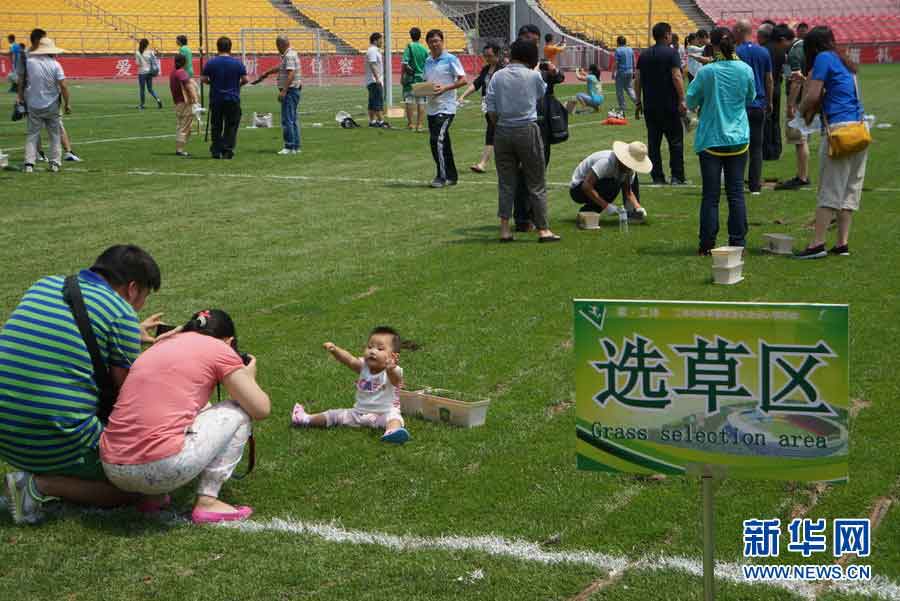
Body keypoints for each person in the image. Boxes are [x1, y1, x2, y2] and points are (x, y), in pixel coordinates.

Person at [2, 245, 162, 524]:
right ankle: (39, 486)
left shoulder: (45, 284)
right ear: (133, 288)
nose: (139, 307)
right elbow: (129, 399)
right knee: (138, 486)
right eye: (144, 297)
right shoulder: (121, 313)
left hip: (7, 436)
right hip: (47, 437)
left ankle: (45, 473)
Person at [100, 309, 270, 524]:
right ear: (229, 341)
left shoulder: (160, 345)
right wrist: (249, 378)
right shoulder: (220, 348)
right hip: (159, 467)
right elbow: (261, 409)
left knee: (177, 407)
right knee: (238, 411)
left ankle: (153, 497)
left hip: (112, 467)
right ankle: (208, 502)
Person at [795, 26, 868, 259]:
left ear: (812, 48)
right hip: (859, 129)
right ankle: (842, 244)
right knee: (850, 190)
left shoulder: (823, 58)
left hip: (839, 131)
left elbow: (814, 95)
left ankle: (817, 244)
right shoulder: (842, 60)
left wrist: (799, 112)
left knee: (829, 189)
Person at [686, 27, 755, 255]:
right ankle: (738, 243)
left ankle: (707, 244)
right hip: (737, 138)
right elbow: (750, 97)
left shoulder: (707, 72)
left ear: (711, 45)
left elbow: (690, 99)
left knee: (711, 195)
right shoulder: (745, 69)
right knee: (736, 194)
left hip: (712, 139)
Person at [486, 39, 559, 243]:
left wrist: (500, 124)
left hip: (502, 130)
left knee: (506, 182)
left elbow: (490, 108)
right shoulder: (533, 75)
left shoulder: (498, 76)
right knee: (536, 182)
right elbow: (540, 94)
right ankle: (543, 229)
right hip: (527, 129)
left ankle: (504, 229)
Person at [291, 327, 411, 444]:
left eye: (380, 349)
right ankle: (305, 419)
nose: (372, 351)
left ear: (393, 357)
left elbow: (396, 381)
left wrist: (390, 369)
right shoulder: (364, 366)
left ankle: (392, 431)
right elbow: (349, 360)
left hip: (383, 414)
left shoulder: (394, 371)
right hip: (358, 413)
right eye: (370, 347)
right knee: (334, 414)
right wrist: (335, 350)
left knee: (394, 418)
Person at [634, 22, 687, 185]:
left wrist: (638, 101)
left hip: (650, 105)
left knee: (654, 143)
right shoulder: (672, 53)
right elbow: (677, 76)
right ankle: (677, 176)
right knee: (675, 142)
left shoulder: (644, 55)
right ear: (666, 35)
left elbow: (638, 80)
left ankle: (657, 176)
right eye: (670, 34)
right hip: (669, 105)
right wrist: (682, 99)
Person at [423, 29, 467, 188]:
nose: (434, 44)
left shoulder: (450, 59)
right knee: (443, 143)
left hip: (446, 108)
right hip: (432, 108)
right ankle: (452, 176)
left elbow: (463, 80)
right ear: (427, 43)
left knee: (436, 141)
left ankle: (441, 176)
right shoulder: (428, 61)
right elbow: (427, 82)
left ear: (442, 41)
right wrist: (422, 90)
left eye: (437, 40)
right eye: (431, 41)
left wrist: (445, 89)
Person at [734, 19, 772, 195]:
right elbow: (768, 79)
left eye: (735, 30)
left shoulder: (735, 52)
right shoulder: (763, 52)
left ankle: (737, 182)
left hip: (740, 105)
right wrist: (769, 101)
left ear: (741, 31)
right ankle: (755, 185)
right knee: (757, 147)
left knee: (739, 146)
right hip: (758, 104)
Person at [21, 37, 70, 174]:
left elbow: (23, 81)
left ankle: (29, 163)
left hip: (33, 104)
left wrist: (21, 98)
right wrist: (67, 104)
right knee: (54, 134)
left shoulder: (29, 62)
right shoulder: (55, 65)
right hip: (52, 104)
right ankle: (54, 162)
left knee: (32, 134)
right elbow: (63, 86)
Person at [569, 142, 650, 220]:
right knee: (612, 185)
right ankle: (590, 211)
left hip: (595, 185)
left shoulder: (629, 170)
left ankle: (588, 213)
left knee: (624, 181)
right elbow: (586, 186)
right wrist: (607, 206)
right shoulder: (606, 162)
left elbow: (628, 192)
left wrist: (638, 207)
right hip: (577, 189)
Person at [252, 35, 302, 154]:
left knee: (287, 120)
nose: (277, 48)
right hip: (294, 90)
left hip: (290, 91)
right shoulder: (291, 54)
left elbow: (291, 74)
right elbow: (282, 68)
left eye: (277, 45)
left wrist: (284, 90)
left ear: (281, 45)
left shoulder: (289, 56)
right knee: (293, 119)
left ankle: (289, 147)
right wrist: (267, 73)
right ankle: (295, 146)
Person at [201, 36, 248, 159]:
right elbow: (245, 79)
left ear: (218, 48)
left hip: (216, 98)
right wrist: (237, 85)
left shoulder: (211, 62)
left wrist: (213, 83)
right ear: (230, 48)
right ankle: (227, 149)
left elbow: (204, 79)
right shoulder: (237, 63)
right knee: (231, 125)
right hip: (232, 98)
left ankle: (216, 150)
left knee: (216, 125)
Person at [459, 43, 503, 173]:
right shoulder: (485, 69)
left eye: (490, 56)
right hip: (488, 106)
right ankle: (484, 163)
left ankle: (483, 163)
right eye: (485, 56)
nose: (487, 58)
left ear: (497, 55)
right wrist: (463, 95)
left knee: (496, 132)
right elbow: (477, 83)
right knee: (493, 132)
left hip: (502, 106)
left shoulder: (503, 70)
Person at [777, 24, 810, 190]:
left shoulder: (793, 54)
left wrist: (790, 104)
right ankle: (803, 174)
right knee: (803, 139)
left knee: (799, 139)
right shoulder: (802, 48)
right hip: (807, 98)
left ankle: (802, 177)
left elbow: (794, 81)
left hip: (799, 100)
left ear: (783, 40)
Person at [763, 24, 794, 162]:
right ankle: (777, 149)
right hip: (777, 87)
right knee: (775, 120)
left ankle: (767, 151)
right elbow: (787, 72)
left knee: (766, 121)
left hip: (765, 88)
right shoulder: (783, 52)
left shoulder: (764, 50)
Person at [170, 53, 198, 156]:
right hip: (185, 102)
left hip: (177, 102)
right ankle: (180, 149)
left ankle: (179, 147)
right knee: (185, 126)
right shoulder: (181, 73)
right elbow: (189, 87)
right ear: (185, 62)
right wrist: (195, 99)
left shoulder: (173, 72)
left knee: (181, 125)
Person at [401, 27, 429, 132]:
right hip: (422, 77)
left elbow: (405, 63)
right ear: (420, 36)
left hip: (411, 78)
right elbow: (428, 63)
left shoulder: (409, 46)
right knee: (421, 102)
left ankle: (411, 124)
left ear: (410, 35)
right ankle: (420, 125)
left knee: (409, 101)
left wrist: (402, 76)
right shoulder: (424, 49)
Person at [365, 32, 387, 128]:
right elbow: (373, 64)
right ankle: (381, 121)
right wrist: (377, 78)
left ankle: (372, 121)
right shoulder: (373, 51)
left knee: (372, 101)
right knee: (378, 101)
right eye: (380, 40)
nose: (382, 42)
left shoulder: (375, 50)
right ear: (375, 40)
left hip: (373, 80)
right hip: (374, 80)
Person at [613, 36, 638, 116]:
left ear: (618, 42)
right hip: (630, 71)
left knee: (619, 89)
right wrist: (634, 70)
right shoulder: (630, 49)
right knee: (629, 88)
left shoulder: (618, 50)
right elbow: (634, 60)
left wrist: (613, 72)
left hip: (621, 71)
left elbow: (616, 62)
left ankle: (622, 106)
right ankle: (637, 102)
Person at [135, 39, 162, 110]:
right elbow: (155, 59)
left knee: (142, 89)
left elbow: (138, 64)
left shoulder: (138, 52)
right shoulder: (150, 52)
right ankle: (158, 99)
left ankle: (142, 104)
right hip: (149, 72)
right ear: (147, 45)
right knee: (150, 89)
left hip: (142, 72)